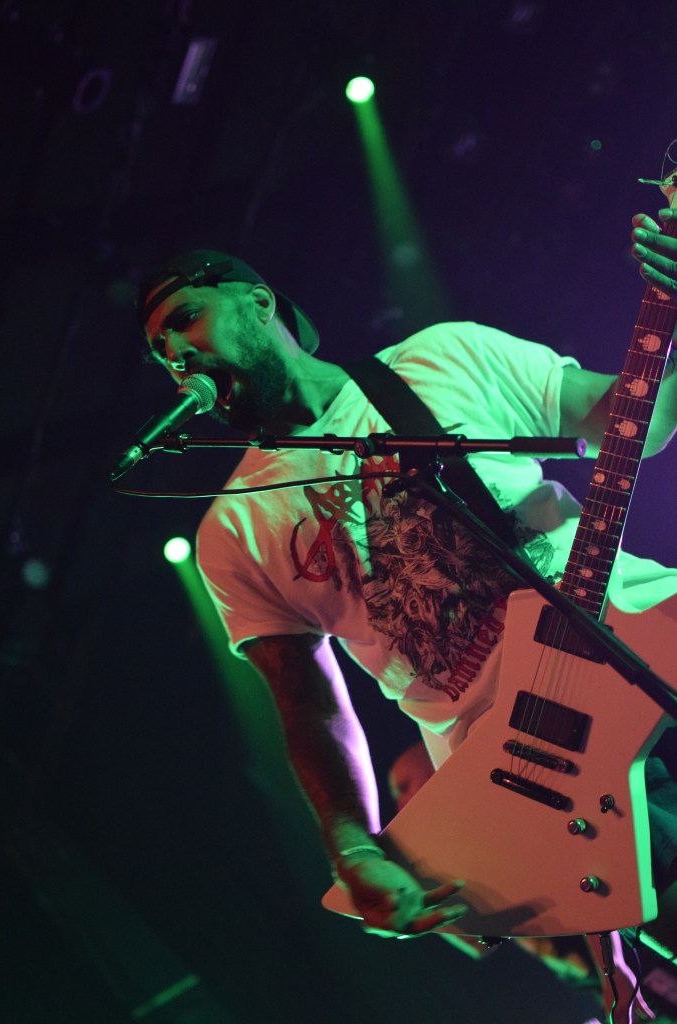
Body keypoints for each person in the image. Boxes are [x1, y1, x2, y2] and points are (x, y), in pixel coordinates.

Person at [136, 209, 677, 1022]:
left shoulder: (440, 357)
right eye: (160, 354)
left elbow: (630, 423)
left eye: (184, 320)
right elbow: (306, 705)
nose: (176, 356)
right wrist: (353, 848)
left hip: (644, 637)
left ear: (257, 303)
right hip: (543, 768)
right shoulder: (233, 531)